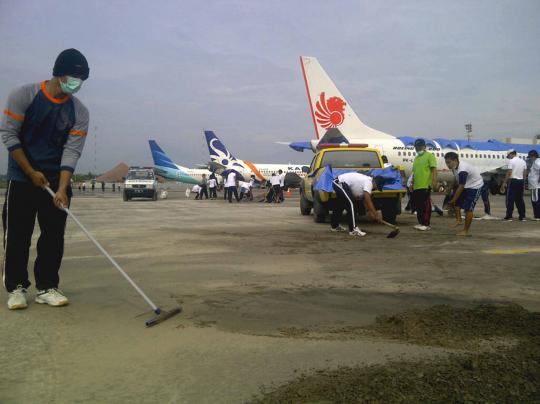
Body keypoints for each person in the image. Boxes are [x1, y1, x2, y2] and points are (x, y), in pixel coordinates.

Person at [0, 48, 90, 309]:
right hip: (22, 177)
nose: (77, 84)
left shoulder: (79, 112)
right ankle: (16, 287)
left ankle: (47, 287)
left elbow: (72, 150)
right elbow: (9, 136)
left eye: (81, 80)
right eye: (74, 78)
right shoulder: (24, 96)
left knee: (53, 237)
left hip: (56, 180)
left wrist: (62, 188)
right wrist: (29, 172)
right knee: (17, 235)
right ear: (59, 74)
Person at [331, 172, 383, 237]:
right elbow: (368, 199)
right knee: (351, 204)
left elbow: (364, 200)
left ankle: (335, 226)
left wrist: (369, 211)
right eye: (377, 187)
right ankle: (353, 230)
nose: (375, 189)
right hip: (340, 182)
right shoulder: (369, 182)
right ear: (375, 183)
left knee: (340, 204)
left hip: (340, 182)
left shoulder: (366, 182)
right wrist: (376, 214)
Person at [444, 152, 483, 236]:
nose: (447, 165)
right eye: (446, 162)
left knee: (468, 208)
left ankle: (465, 231)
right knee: (456, 203)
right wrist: (450, 188)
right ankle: (459, 220)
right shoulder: (455, 167)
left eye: (449, 162)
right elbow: (455, 177)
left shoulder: (463, 169)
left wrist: (453, 199)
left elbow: (461, 186)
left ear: (455, 160)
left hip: (475, 186)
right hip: (466, 185)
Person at [411, 139, 438, 231]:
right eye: (416, 147)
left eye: (419, 146)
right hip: (416, 186)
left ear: (424, 146)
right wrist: (412, 183)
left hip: (425, 185)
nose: (417, 148)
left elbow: (434, 169)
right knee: (418, 206)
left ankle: (426, 224)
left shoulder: (430, 156)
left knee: (425, 206)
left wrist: (434, 181)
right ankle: (420, 222)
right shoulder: (416, 158)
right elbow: (415, 172)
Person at [501, 149, 527, 221]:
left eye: (508, 155)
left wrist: (504, 183)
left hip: (513, 181)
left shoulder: (511, 161)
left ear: (511, 154)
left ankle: (509, 216)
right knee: (520, 199)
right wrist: (524, 184)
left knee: (510, 199)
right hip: (520, 181)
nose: (508, 157)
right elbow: (524, 173)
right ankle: (522, 216)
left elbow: (509, 172)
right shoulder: (523, 161)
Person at [527, 150, 540, 220]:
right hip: (534, 185)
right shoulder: (536, 161)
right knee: (535, 200)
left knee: (536, 200)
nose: (530, 158)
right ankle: (537, 215)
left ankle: (537, 216)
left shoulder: (537, 162)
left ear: (533, 156)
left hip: (535, 185)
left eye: (530, 157)